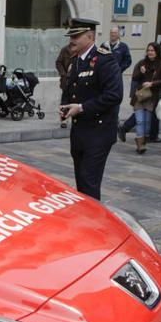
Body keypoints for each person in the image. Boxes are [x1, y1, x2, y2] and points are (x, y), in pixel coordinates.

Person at [59, 18, 122, 200]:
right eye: (71, 36)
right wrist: (64, 106)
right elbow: (70, 89)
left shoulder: (105, 60)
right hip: (80, 133)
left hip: (99, 132)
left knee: (89, 182)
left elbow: (114, 95)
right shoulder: (76, 61)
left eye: (76, 36)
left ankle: (94, 223)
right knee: (81, 182)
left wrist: (81, 107)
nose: (72, 40)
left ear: (90, 36)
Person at [128, 42, 161, 154]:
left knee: (147, 122)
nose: (150, 52)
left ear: (157, 52)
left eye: (152, 50)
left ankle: (142, 141)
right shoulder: (142, 63)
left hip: (152, 96)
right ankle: (140, 145)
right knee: (140, 121)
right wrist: (141, 73)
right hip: (140, 96)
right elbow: (134, 77)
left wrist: (152, 83)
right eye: (148, 50)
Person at [55, 43, 76, 129]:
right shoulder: (65, 49)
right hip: (66, 80)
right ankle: (64, 120)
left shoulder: (81, 49)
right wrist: (63, 74)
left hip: (77, 80)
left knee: (76, 100)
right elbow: (58, 62)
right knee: (65, 100)